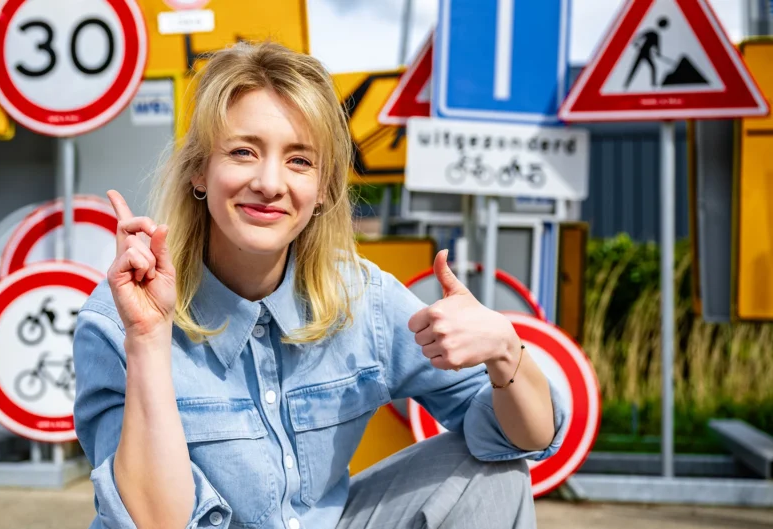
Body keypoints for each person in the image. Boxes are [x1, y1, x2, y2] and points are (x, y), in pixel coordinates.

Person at [73, 41, 568, 529]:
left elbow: (525, 437)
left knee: (495, 473)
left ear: (325, 187)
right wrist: (147, 340)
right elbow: (154, 522)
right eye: (244, 152)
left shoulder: (363, 299)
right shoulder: (119, 318)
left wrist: (506, 350)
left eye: (299, 160)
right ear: (200, 170)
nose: (270, 183)